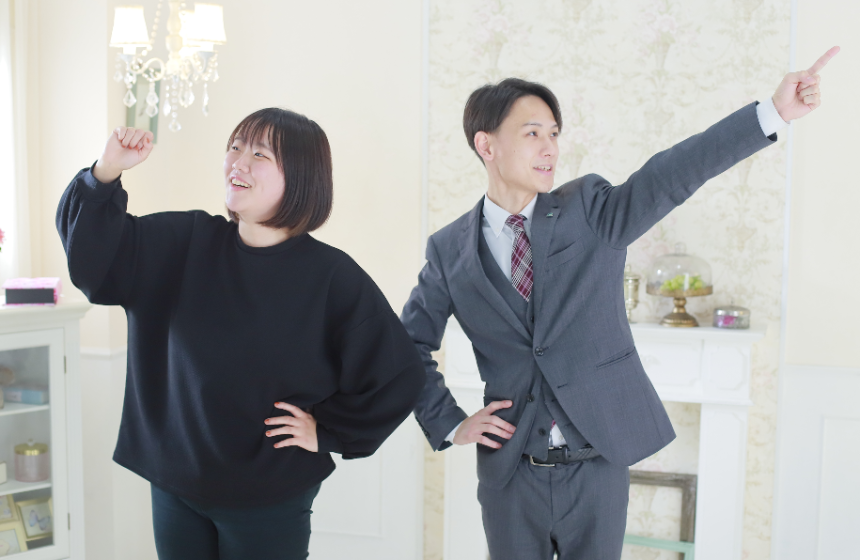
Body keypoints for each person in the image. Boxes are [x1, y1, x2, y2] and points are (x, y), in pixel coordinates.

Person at [402, 47, 839, 560]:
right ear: (486, 144)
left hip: (597, 470)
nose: (549, 148)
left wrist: (773, 113)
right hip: (511, 479)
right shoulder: (449, 249)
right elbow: (407, 345)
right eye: (532, 133)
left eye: (554, 134)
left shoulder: (589, 209)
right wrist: (452, 423)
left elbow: (674, 173)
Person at [57, 108, 426, 560]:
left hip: (269, 493)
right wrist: (106, 171)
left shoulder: (332, 276)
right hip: (176, 482)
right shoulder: (186, 241)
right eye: (235, 147)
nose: (239, 162)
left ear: (301, 177)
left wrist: (328, 432)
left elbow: (398, 374)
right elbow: (96, 262)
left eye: (260, 154)